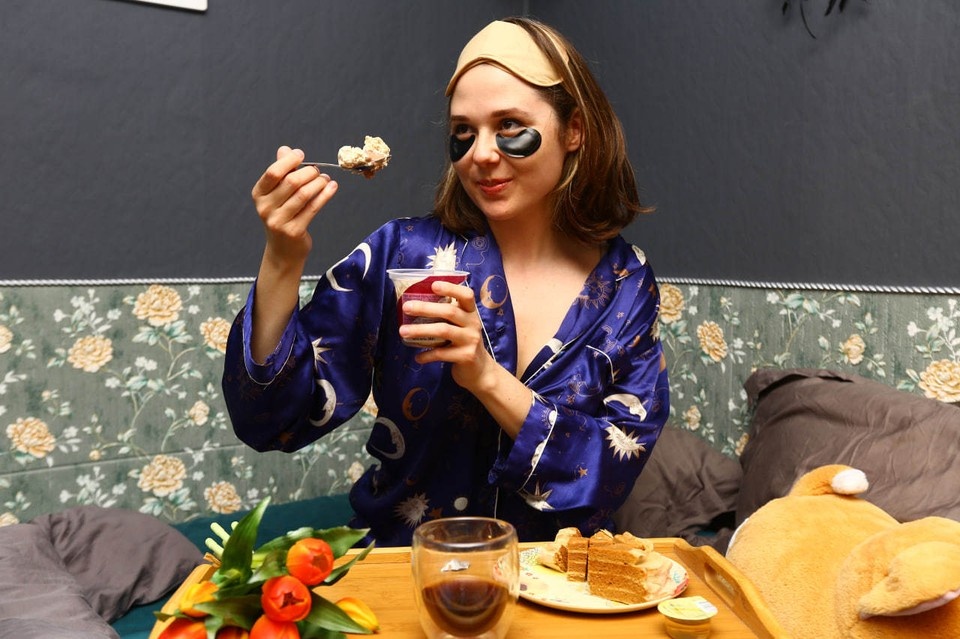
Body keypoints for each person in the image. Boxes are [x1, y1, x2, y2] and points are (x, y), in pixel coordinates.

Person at [222, 17, 670, 546]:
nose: (481, 154)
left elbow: (612, 469)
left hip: (552, 578)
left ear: (574, 130)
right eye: (464, 132)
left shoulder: (625, 285)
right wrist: (282, 257)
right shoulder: (404, 255)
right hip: (405, 568)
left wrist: (486, 377)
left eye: (510, 126)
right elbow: (268, 420)